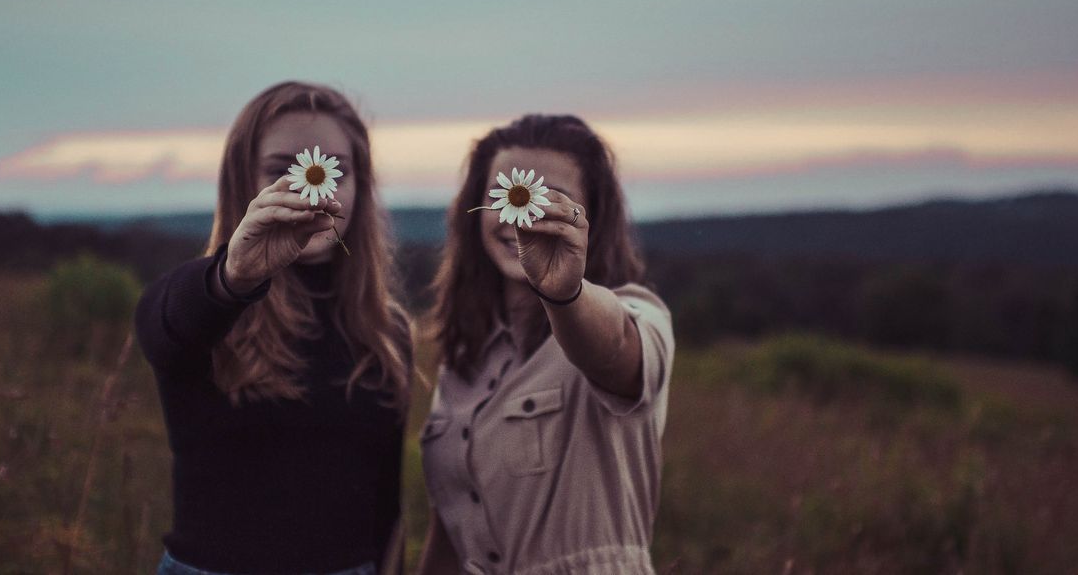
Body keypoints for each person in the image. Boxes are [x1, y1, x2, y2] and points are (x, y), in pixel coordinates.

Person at [135, 81, 411, 575]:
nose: (311, 185)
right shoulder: (206, 302)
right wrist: (234, 276)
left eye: (336, 169)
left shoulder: (386, 330)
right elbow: (163, 326)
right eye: (282, 168)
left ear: (359, 187)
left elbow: (387, 505)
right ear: (242, 180)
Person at [416, 114, 675, 574]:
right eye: (509, 194)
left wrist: (564, 293)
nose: (525, 213)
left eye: (553, 198)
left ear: (593, 215)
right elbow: (453, 532)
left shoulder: (636, 313)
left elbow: (615, 349)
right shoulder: (464, 360)